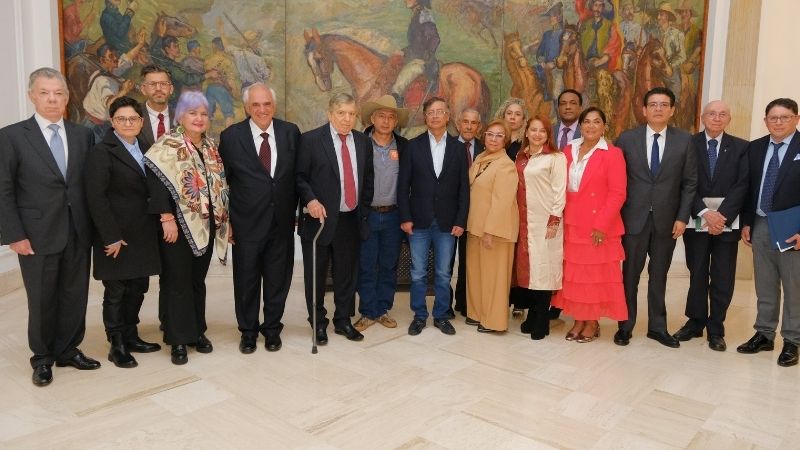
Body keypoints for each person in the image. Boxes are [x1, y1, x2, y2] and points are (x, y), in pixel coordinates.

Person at [0, 67, 99, 386]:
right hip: (36, 234)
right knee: (42, 298)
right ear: (32, 96)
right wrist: (14, 235)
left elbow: (88, 185)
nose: (52, 99)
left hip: (78, 230)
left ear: (67, 98)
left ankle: (68, 349)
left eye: (58, 93)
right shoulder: (12, 136)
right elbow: (4, 189)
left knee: (75, 294)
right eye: (45, 93)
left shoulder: (83, 135)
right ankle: (42, 358)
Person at [144, 91, 230, 365]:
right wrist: (166, 218)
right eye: (193, 113)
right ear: (180, 116)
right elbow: (156, 185)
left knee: (196, 281)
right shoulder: (166, 146)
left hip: (205, 225)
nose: (199, 118)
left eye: (204, 113)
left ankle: (196, 332)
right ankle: (178, 339)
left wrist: (224, 221)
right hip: (177, 227)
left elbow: (219, 186)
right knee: (177, 282)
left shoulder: (210, 146)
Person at [218, 83, 300, 354]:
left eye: (266, 104)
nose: (262, 109)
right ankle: (248, 331)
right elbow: (223, 183)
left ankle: (272, 329)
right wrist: (227, 222)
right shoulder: (231, 137)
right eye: (256, 104)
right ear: (246, 107)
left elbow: (297, 175)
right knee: (246, 281)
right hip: (246, 224)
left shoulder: (290, 132)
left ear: (274, 105)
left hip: (281, 222)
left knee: (278, 280)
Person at [614, 87, 697, 348]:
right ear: (644, 109)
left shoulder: (685, 140)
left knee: (659, 275)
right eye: (653, 104)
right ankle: (625, 325)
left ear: (672, 110)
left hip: (667, 221)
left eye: (664, 105)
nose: (658, 109)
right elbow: (615, 179)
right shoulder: (627, 139)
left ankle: (658, 328)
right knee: (629, 275)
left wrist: (682, 217)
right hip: (633, 219)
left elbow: (690, 183)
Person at [85, 96, 161, 368]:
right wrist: (111, 236)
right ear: (112, 122)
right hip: (116, 235)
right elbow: (96, 198)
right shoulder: (102, 152)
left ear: (140, 121)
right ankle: (116, 344)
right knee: (116, 290)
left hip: (143, 232)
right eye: (121, 119)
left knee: (138, 287)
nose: (128, 123)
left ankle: (131, 335)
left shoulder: (146, 147)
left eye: (133, 119)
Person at [297, 93, 374, 344]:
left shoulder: (363, 142)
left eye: (352, 114)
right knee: (316, 275)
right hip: (319, 220)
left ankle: (343, 320)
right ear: (330, 114)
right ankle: (318, 323)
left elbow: (368, 180)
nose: (347, 119)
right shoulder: (310, 140)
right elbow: (299, 177)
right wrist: (310, 200)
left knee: (346, 275)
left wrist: (363, 210)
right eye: (341, 113)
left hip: (350, 219)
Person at [673, 100, 748, 352]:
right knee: (697, 273)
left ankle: (716, 328)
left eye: (723, 114)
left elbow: (743, 184)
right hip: (697, 218)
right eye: (712, 114)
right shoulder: (688, 144)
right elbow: (683, 182)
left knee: (723, 276)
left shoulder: (742, 147)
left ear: (729, 119)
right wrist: (705, 212)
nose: (717, 118)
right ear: (703, 118)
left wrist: (721, 215)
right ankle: (695, 322)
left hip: (728, 220)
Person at [552, 107, 628, 342]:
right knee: (576, 276)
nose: (591, 126)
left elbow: (618, 193)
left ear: (604, 127)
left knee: (595, 277)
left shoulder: (612, 154)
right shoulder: (568, 150)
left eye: (596, 122)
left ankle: (592, 322)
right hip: (572, 224)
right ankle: (579, 318)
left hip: (598, 225)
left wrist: (601, 225)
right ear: (580, 125)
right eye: (586, 121)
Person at [398, 97, 469, 336]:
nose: (436, 116)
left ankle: (441, 315)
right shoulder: (413, 146)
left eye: (440, 112)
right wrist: (405, 217)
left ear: (448, 116)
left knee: (443, 273)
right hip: (418, 221)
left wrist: (461, 220)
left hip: (448, 223)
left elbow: (464, 189)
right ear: (425, 117)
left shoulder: (459, 148)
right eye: (431, 112)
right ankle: (419, 315)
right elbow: (403, 186)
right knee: (418, 273)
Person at [738, 98, 800, 367]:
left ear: (796, 119)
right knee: (764, 284)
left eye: (784, 117)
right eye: (773, 118)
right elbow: (748, 187)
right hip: (761, 223)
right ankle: (764, 334)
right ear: (765, 121)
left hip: (792, 227)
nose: (778, 122)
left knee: (794, 286)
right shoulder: (755, 147)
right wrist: (747, 222)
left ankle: (793, 340)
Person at [354, 95, 409, 332]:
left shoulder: (404, 146)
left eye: (391, 117)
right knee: (366, 264)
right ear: (372, 119)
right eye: (381, 116)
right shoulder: (359, 143)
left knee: (388, 265)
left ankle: (383, 309)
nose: (386, 121)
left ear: (396, 121)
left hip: (394, 216)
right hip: (367, 214)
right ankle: (368, 311)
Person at [512, 116, 567, 339]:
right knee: (530, 271)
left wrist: (554, 221)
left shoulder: (556, 158)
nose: (537, 134)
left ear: (548, 135)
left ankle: (542, 320)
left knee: (544, 270)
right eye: (533, 130)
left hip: (546, 222)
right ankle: (533, 314)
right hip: (524, 222)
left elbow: (560, 192)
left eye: (542, 131)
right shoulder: (521, 157)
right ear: (526, 132)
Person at [465, 119, 519, 333]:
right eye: (490, 134)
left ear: (505, 140)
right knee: (477, 274)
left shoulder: (505, 165)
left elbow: (501, 202)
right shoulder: (481, 158)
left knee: (493, 278)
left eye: (499, 136)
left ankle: (494, 321)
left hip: (495, 230)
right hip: (475, 226)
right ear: (484, 136)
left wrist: (490, 231)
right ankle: (477, 314)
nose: (494, 139)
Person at [450, 108, 484, 317]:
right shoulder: (448, 145)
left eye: (474, 123)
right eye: (465, 122)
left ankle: (464, 303)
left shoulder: (485, 149)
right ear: (458, 124)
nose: (469, 126)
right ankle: (445, 304)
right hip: (449, 213)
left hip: (475, 214)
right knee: (445, 264)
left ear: (479, 126)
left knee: (467, 260)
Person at [82, 35, 147, 141]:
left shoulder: (111, 70)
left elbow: (127, 59)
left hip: (101, 124)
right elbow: (110, 104)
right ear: (102, 60)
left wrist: (140, 45)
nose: (116, 58)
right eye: (111, 56)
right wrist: (124, 90)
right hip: (94, 127)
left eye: (115, 55)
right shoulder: (103, 81)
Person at [391, 0, 440, 104]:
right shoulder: (416, 15)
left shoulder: (424, 16)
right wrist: (403, 51)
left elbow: (434, 38)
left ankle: (397, 101)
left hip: (422, 60)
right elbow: (416, 43)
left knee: (399, 84)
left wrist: (428, 55)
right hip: (414, 56)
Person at [205, 38, 239, 129]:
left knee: (208, 113)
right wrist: (234, 91)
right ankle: (229, 135)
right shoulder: (227, 61)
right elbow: (230, 79)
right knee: (228, 113)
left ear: (214, 46)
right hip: (222, 88)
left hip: (210, 88)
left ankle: (205, 135)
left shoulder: (207, 59)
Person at [138, 65, 174, 150]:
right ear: (143, 89)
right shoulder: (132, 117)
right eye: (152, 84)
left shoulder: (182, 118)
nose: (158, 89)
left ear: (171, 89)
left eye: (163, 84)